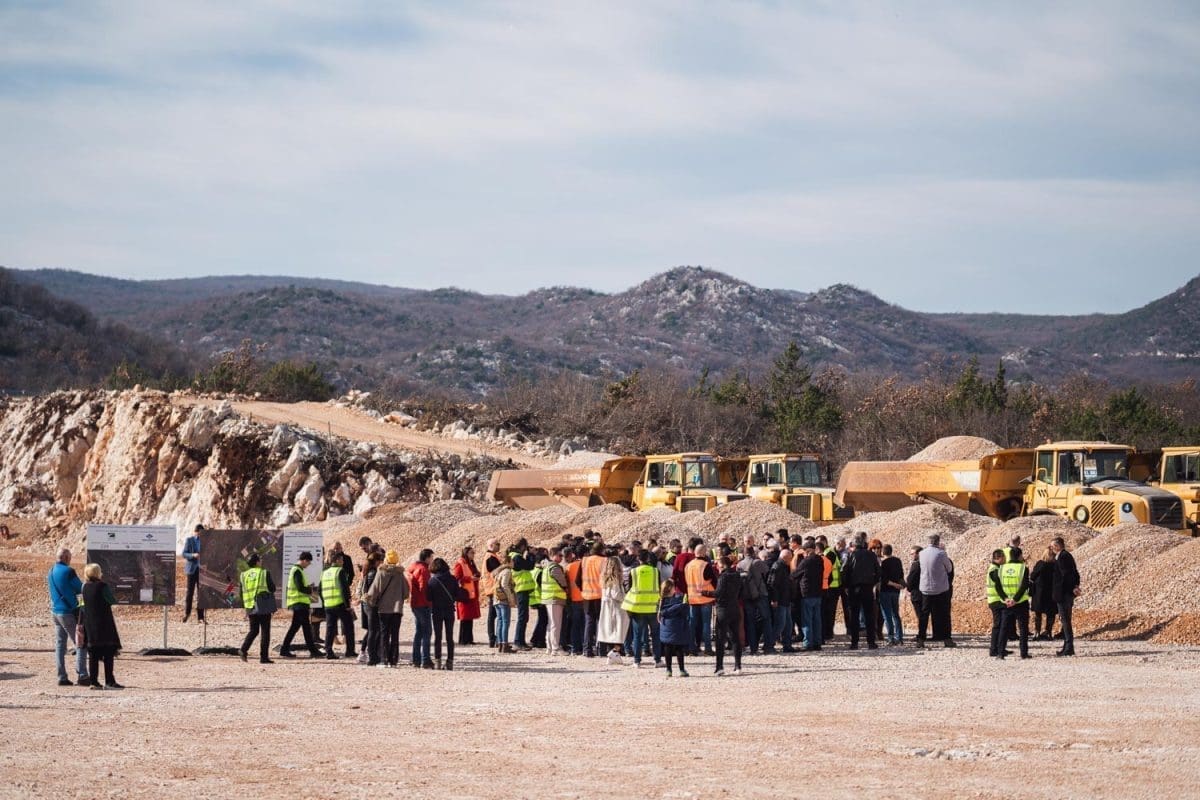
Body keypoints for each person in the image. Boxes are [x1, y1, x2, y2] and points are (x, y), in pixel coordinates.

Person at [48, 547, 88, 687]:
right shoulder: (68, 571)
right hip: (68, 612)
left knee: (60, 645)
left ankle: (62, 676)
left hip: (55, 612)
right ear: (66, 558)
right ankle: (82, 675)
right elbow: (80, 588)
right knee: (81, 643)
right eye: (70, 558)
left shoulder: (51, 570)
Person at [80, 563, 122, 690]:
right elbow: (111, 600)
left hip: (90, 624)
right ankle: (109, 681)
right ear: (97, 573)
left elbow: (81, 605)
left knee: (93, 654)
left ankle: (94, 682)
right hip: (104, 623)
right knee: (108, 653)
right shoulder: (103, 586)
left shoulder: (83, 587)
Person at [364, 550, 409, 668]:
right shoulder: (400, 574)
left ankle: (383, 660)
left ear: (386, 560)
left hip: (383, 609)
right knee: (395, 635)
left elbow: (374, 591)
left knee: (384, 634)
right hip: (397, 609)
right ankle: (393, 660)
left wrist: (369, 600)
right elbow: (406, 593)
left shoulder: (381, 572)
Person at [621, 549, 661, 668]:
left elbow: (629, 588)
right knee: (655, 635)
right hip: (653, 607)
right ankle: (657, 660)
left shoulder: (633, 572)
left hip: (638, 608)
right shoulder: (656, 571)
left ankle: (637, 661)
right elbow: (659, 587)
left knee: (637, 635)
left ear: (638, 559)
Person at [280, 551, 322, 658]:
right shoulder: (297, 570)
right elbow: (300, 587)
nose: (308, 565)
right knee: (306, 628)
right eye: (308, 562)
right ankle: (313, 650)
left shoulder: (298, 570)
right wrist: (311, 590)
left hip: (299, 603)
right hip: (299, 603)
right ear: (304, 560)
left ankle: (284, 649)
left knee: (296, 627)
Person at [918, 534, 956, 648]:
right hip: (940, 589)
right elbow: (949, 568)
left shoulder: (921, 553)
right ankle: (947, 639)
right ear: (938, 542)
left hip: (925, 588)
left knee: (924, 614)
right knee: (944, 614)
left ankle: (921, 639)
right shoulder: (941, 553)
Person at [708, 556, 744, 676]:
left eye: (718, 564)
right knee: (735, 638)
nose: (717, 566)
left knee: (720, 639)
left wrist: (703, 592)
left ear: (722, 565)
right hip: (734, 607)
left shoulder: (723, 577)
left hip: (723, 609)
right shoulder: (737, 575)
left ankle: (719, 667)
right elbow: (741, 591)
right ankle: (738, 666)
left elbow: (718, 593)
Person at [842, 535, 880, 650]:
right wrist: (873, 582)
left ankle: (854, 643)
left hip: (854, 588)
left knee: (854, 615)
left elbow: (844, 571)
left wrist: (846, 586)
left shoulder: (850, 555)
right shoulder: (871, 555)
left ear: (854, 545)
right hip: (867, 588)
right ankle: (871, 642)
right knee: (869, 615)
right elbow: (878, 571)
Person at [238, 553, 277, 664]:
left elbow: (241, 593)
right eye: (260, 559)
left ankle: (243, 649)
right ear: (257, 562)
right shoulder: (264, 573)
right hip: (263, 604)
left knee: (254, 630)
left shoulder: (243, 575)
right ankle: (264, 657)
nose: (261, 561)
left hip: (250, 605)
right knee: (265, 631)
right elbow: (272, 588)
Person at [996, 546, 1032, 659]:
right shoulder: (1023, 568)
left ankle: (1000, 653)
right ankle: (1023, 653)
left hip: (1006, 603)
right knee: (1023, 628)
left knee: (1004, 628)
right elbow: (1024, 586)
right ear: (1020, 556)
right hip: (1020, 602)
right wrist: (1015, 600)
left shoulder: (1002, 568)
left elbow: (998, 586)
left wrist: (1005, 598)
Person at [738, 546, 774, 655]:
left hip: (747, 596)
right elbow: (767, 572)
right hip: (760, 593)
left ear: (744, 553)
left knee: (750, 622)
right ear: (753, 552)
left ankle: (753, 648)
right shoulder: (757, 562)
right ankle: (768, 646)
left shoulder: (739, 565)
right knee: (766, 619)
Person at [428, 558, 462, 670]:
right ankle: (450, 662)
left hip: (437, 611)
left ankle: (437, 661)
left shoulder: (432, 581)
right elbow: (457, 594)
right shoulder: (452, 579)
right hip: (449, 610)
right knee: (449, 637)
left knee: (438, 637)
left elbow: (428, 597)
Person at [321, 552, 356, 660]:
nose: (343, 562)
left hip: (328, 604)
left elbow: (320, 589)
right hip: (340, 604)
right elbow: (344, 589)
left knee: (330, 629)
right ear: (336, 561)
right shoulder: (340, 571)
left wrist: (324, 601)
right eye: (341, 560)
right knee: (349, 627)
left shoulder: (324, 572)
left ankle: (328, 651)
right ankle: (350, 651)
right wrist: (347, 604)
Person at [684, 544, 717, 656]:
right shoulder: (705, 565)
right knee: (706, 624)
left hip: (692, 598)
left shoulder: (688, 565)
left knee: (692, 624)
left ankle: (691, 648)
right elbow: (713, 580)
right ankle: (707, 649)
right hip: (705, 598)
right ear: (703, 553)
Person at [1051, 537, 1080, 657]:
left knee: (1065, 621)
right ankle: (1067, 646)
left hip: (1063, 594)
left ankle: (1068, 647)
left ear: (1058, 546)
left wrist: (1071, 588)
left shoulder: (1062, 557)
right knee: (1066, 620)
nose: (1051, 548)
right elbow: (1075, 573)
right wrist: (1075, 586)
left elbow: (1066, 575)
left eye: (1053, 546)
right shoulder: (1067, 555)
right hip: (1067, 593)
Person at [598, 554, 629, 663]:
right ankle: (614, 652)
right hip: (616, 608)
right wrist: (626, 597)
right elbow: (616, 595)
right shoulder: (615, 580)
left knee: (611, 631)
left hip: (607, 608)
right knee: (619, 631)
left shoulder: (604, 579)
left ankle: (614, 654)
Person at [539, 547, 569, 656]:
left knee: (551, 624)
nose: (561, 557)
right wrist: (566, 589)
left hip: (549, 598)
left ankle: (549, 647)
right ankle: (555, 648)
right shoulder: (554, 567)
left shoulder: (546, 566)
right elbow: (562, 581)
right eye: (559, 555)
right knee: (555, 624)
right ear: (552, 555)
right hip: (554, 597)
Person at [578, 542, 606, 657]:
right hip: (600, 596)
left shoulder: (584, 561)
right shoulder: (604, 560)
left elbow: (577, 580)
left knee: (589, 622)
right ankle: (601, 650)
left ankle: (587, 649)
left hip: (587, 596)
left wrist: (583, 589)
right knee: (601, 622)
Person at [657, 580, 690, 678]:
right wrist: (684, 605)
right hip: (677, 627)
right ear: (670, 589)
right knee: (679, 649)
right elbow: (684, 613)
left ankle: (668, 670)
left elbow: (662, 612)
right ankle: (682, 669)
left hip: (666, 628)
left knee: (667, 648)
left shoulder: (661, 601)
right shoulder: (678, 600)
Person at [408, 549, 434, 668]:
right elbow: (424, 588)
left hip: (415, 603)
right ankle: (425, 659)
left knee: (419, 632)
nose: (432, 560)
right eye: (431, 557)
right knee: (427, 632)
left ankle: (416, 659)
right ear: (427, 557)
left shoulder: (413, 567)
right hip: (423, 604)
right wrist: (431, 600)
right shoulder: (423, 570)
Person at [796, 542, 825, 650]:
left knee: (807, 619)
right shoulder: (820, 560)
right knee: (817, 619)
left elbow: (795, 574)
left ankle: (808, 643)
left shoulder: (806, 561)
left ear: (807, 550)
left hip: (807, 593)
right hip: (818, 592)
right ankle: (817, 642)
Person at [509, 539, 536, 650]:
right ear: (523, 546)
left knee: (523, 617)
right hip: (521, 589)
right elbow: (529, 566)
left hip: (521, 589)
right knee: (522, 617)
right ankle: (518, 642)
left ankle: (521, 641)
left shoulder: (513, 555)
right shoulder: (517, 557)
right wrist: (531, 555)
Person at [452, 547, 481, 645]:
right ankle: (463, 639)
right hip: (464, 594)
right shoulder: (460, 564)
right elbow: (457, 578)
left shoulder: (471, 563)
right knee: (464, 617)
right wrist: (470, 578)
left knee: (470, 617)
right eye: (471, 553)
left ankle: (469, 639)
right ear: (466, 553)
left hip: (471, 594)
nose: (473, 555)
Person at [768, 548, 795, 652]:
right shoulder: (778, 566)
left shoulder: (783, 566)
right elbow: (772, 584)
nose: (791, 560)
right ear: (785, 558)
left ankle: (787, 645)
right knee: (780, 624)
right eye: (790, 558)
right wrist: (774, 599)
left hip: (785, 599)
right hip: (780, 600)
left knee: (788, 624)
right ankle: (769, 645)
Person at [359, 550, 383, 665]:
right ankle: (372, 656)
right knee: (373, 631)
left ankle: (370, 654)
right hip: (372, 605)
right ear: (377, 561)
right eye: (381, 561)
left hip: (367, 604)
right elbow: (375, 590)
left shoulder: (368, 571)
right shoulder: (373, 573)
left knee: (372, 630)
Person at [878, 544, 905, 646]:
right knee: (895, 614)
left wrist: (894, 584)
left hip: (885, 591)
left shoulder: (883, 563)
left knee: (887, 615)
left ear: (883, 552)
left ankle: (890, 638)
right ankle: (899, 637)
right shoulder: (898, 561)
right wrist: (899, 585)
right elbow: (901, 575)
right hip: (896, 592)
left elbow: (884, 580)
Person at [1030, 547, 1058, 640]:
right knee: (1051, 613)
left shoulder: (1040, 564)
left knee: (1038, 613)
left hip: (1039, 593)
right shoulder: (1055, 565)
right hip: (1051, 592)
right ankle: (1048, 632)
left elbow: (1032, 576)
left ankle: (1037, 632)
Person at [480, 540, 503, 648]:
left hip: (491, 588)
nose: (499, 546)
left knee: (493, 614)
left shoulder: (491, 556)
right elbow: (497, 571)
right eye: (497, 544)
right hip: (493, 588)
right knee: (494, 614)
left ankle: (493, 638)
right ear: (491, 545)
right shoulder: (490, 557)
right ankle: (493, 638)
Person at [492, 554, 517, 653]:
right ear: (508, 562)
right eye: (512, 561)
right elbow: (504, 585)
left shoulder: (498, 571)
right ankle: (504, 644)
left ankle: (500, 643)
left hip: (496, 599)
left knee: (500, 621)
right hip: (503, 600)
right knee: (505, 622)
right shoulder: (507, 571)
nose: (513, 563)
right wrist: (511, 599)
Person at [986, 549, 1008, 658]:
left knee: (999, 625)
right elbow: (998, 585)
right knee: (999, 625)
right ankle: (995, 649)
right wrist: (1005, 598)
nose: (1005, 559)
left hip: (995, 600)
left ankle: (998, 648)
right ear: (999, 558)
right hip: (997, 601)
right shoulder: (994, 570)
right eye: (1004, 557)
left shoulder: (995, 568)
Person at [564, 547, 585, 655]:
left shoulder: (569, 567)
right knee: (584, 625)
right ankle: (585, 647)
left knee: (575, 625)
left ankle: (575, 648)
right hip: (585, 597)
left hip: (573, 599)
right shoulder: (584, 565)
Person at [821, 538, 843, 641]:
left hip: (830, 586)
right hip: (834, 585)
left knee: (828, 612)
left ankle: (828, 633)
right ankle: (828, 633)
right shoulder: (832, 552)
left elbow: (827, 570)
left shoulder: (828, 553)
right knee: (830, 611)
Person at [182, 524, 205, 623]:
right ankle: (187, 613)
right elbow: (184, 554)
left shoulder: (206, 541)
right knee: (189, 593)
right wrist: (193, 555)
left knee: (201, 594)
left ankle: (200, 617)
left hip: (202, 571)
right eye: (199, 532)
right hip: (191, 570)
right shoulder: (189, 540)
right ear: (196, 531)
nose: (200, 534)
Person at [906, 546, 927, 646]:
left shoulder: (916, 564)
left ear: (918, 554)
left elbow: (911, 579)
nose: (911, 555)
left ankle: (921, 636)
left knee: (920, 616)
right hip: (925, 592)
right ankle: (922, 634)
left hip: (917, 593)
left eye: (913, 553)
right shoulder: (926, 563)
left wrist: (908, 588)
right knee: (923, 615)